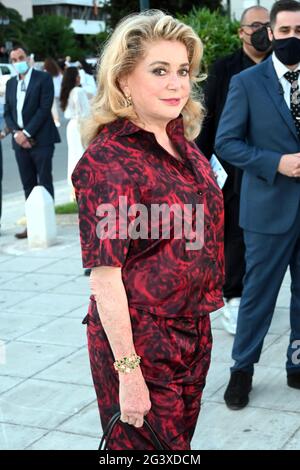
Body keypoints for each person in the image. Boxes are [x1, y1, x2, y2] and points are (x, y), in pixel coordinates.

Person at [72, 10, 224, 450]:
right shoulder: (109, 161)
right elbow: (105, 276)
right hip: (141, 343)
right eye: (159, 71)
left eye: (183, 70)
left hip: (192, 331)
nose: (177, 83)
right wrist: (128, 371)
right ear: (123, 80)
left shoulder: (182, 142)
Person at [215, 0, 300, 411]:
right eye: (284, 31)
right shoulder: (247, 82)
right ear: (270, 33)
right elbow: (226, 142)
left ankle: (297, 362)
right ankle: (242, 369)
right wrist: (275, 163)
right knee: (257, 296)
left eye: (299, 30)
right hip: (267, 210)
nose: (292, 38)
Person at [196, 5, 271, 335]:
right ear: (241, 31)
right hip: (232, 173)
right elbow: (206, 123)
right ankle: (235, 298)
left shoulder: (282, 67)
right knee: (235, 238)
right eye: (255, 25)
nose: (262, 31)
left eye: (267, 25)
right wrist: (200, 167)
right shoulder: (224, 69)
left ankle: (260, 298)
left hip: (274, 170)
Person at [4, 46, 61, 239]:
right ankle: (33, 224)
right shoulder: (11, 83)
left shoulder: (43, 78)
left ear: (28, 58)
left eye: (21, 57)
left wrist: (26, 133)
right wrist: (17, 135)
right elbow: (8, 113)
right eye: (14, 59)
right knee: (27, 184)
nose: (18, 61)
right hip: (19, 143)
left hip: (42, 140)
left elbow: (44, 108)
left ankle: (47, 223)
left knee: (44, 182)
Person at [60, 66, 90, 191]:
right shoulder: (78, 91)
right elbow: (85, 112)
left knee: (74, 154)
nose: (79, 77)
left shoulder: (68, 92)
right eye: (77, 75)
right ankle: (85, 181)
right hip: (80, 125)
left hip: (72, 126)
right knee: (83, 153)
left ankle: (75, 184)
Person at [43, 57, 63, 127]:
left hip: (52, 91)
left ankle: (56, 120)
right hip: (60, 91)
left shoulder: (45, 72)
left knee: (53, 106)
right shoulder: (58, 71)